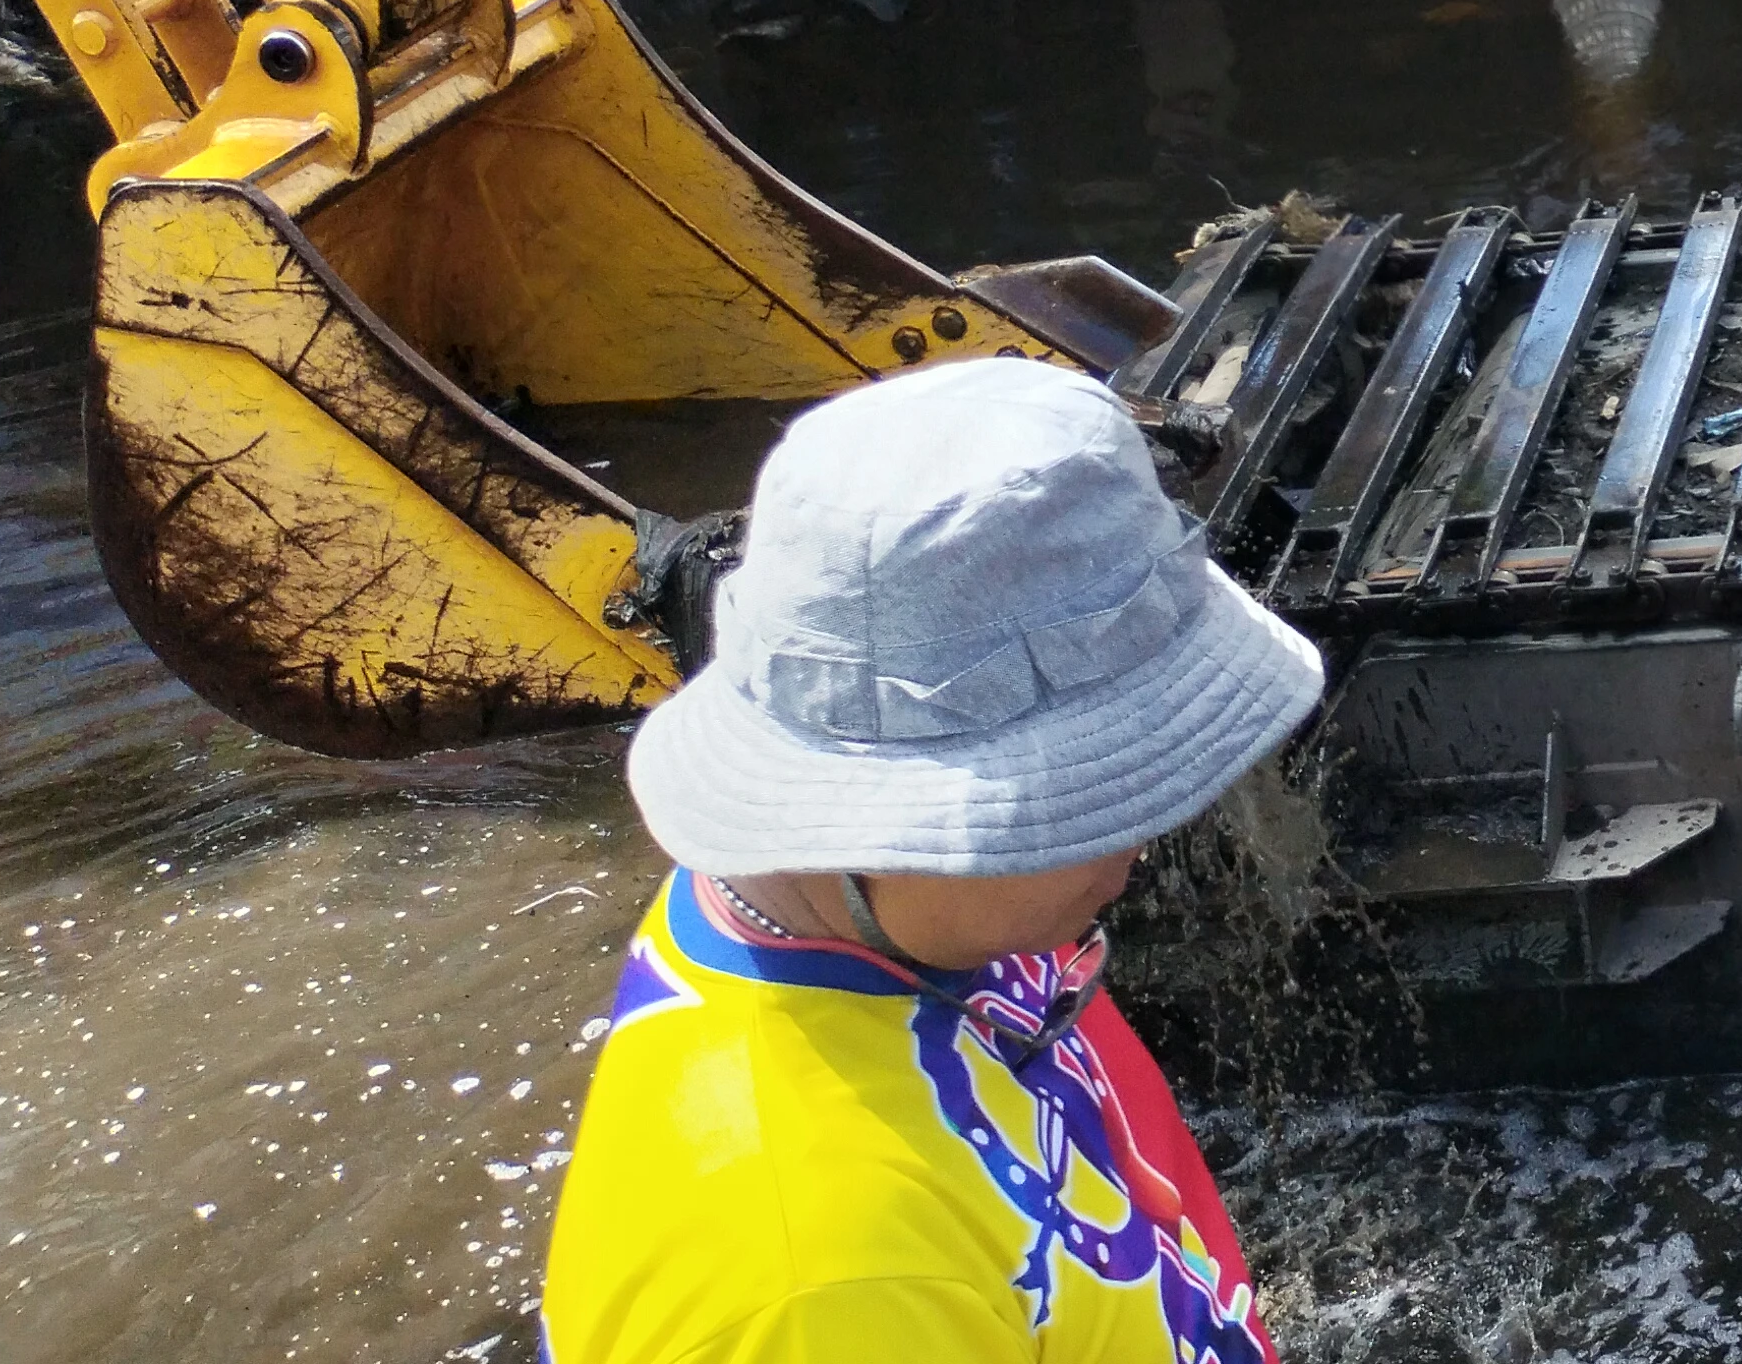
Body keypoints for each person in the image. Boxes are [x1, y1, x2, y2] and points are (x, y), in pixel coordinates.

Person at [537, 360, 1319, 1364]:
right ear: (877, 809)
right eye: (1086, 793)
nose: (1141, 834)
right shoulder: (822, 1292)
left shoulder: (858, 911)